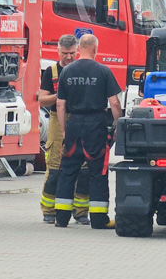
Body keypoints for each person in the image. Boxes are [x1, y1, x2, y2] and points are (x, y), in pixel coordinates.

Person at [54, 34, 122, 229]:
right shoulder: (103, 71)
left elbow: (60, 105)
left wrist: (64, 130)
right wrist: (117, 126)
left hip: (74, 124)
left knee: (67, 171)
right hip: (95, 126)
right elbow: (115, 103)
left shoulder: (67, 71)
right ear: (95, 49)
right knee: (97, 172)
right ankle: (99, 219)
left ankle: (61, 218)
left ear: (79, 48)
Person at [37, 34, 90, 224]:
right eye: (65, 53)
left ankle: (81, 211)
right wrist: (59, 95)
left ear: (78, 50)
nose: (69, 57)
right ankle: (49, 210)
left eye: (72, 53)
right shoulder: (51, 71)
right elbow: (41, 99)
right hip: (56, 120)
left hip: (80, 118)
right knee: (55, 167)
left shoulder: (84, 69)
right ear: (58, 51)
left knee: (83, 168)